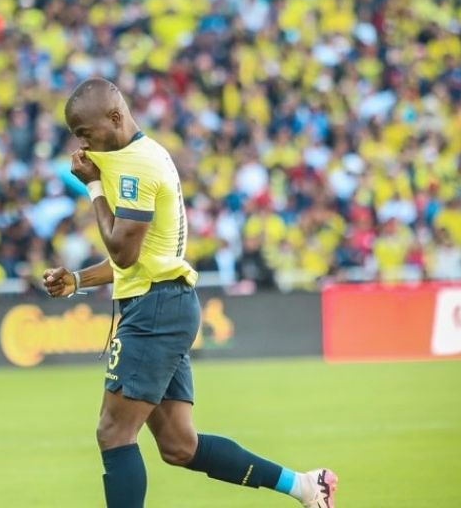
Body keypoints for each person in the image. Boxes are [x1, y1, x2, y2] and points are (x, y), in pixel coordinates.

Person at [43, 78, 337, 508]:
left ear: (114, 117)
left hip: (155, 309)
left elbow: (124, 254)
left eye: (85, 133)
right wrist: (76, 281)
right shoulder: (146, 154)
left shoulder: (133, 166)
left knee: (113, 432)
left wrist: (92, 187)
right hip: (167, 302)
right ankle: (307, 487)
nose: (82, 145)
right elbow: (142, 258)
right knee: (181, 445)